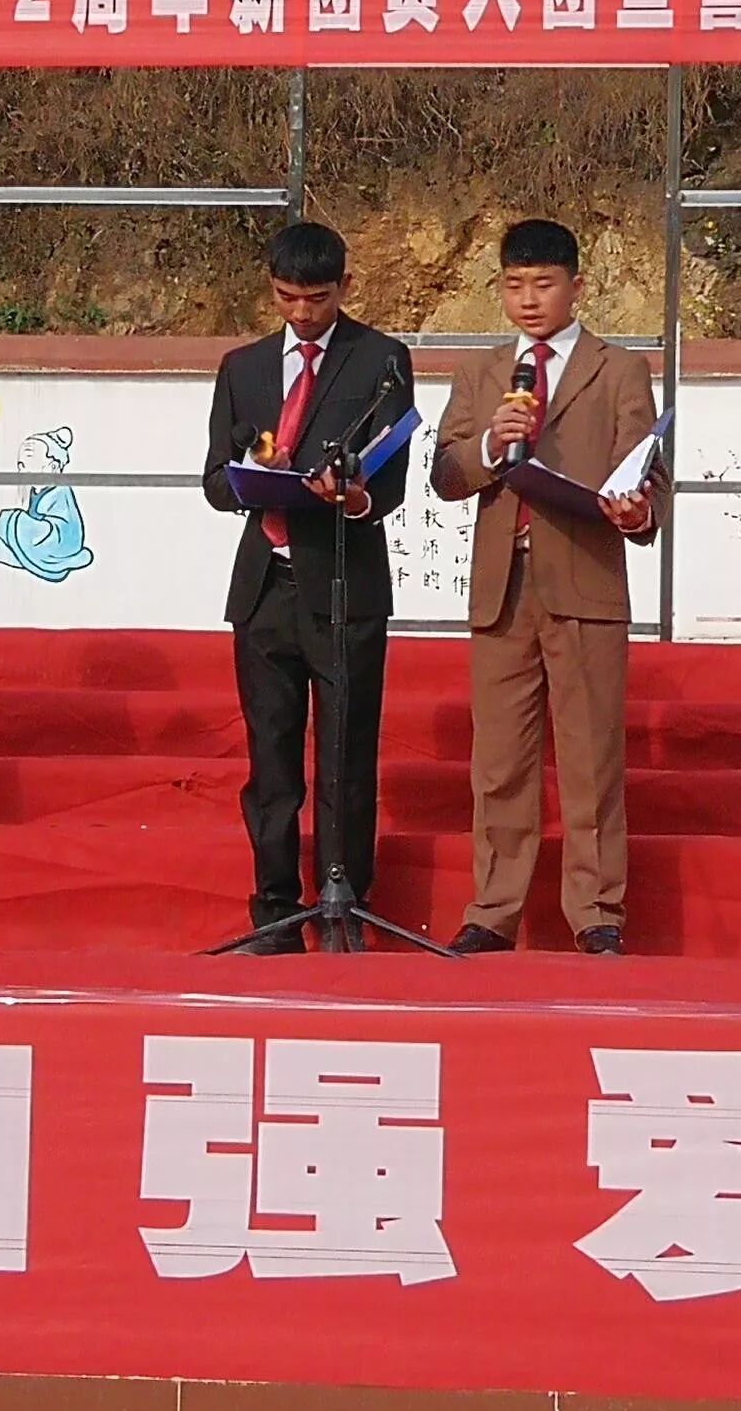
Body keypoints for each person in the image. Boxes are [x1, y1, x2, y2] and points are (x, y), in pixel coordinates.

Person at [430, 219, 660, 955]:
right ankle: (493, 910)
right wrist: (489, 444)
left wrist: (637, 510)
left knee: (591, 758)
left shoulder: (617, 370)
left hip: (585, 578)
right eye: (514, 285)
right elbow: (445, 474)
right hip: (502, 586)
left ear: (576, 287)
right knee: (499, 760)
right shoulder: (483, 372)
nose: (528, 300)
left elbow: (645, 470)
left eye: (544, 284)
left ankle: (596, 912)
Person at [200, 221, 415, 949]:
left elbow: (390, 481)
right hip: (265, 583)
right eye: (286, 297)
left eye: (316, 299)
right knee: (271, 758)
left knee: (346, 753)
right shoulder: (244, 368)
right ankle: (273, 909)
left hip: (345, 580)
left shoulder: (380, 360)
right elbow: (214, 480)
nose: (301, 313)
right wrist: (252, 477)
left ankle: (344, 900)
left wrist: (350, 497)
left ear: (343, 288)